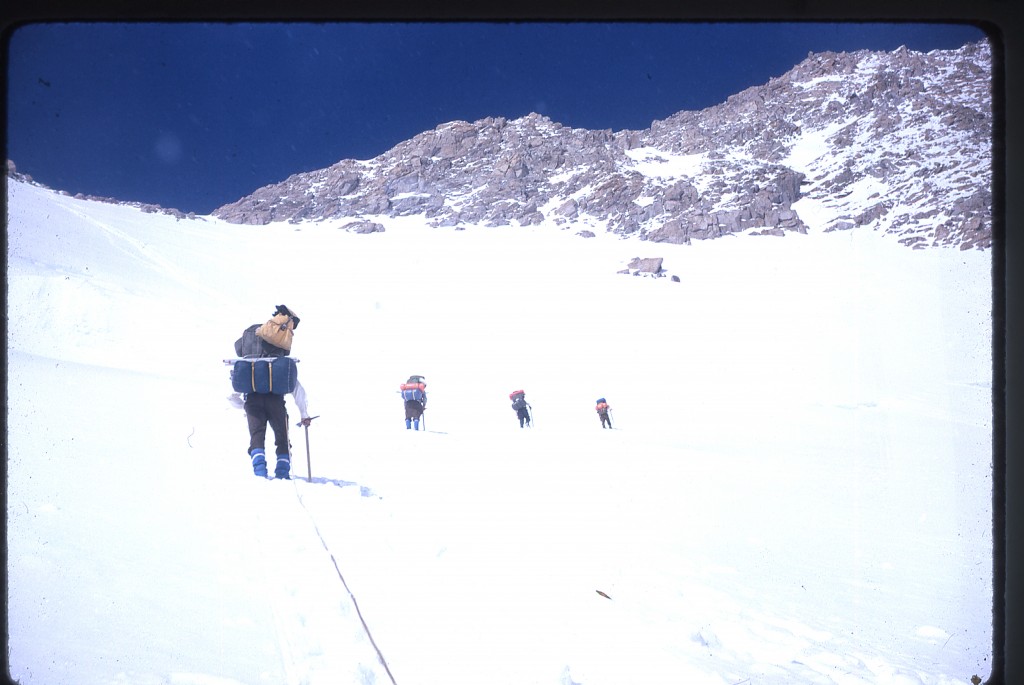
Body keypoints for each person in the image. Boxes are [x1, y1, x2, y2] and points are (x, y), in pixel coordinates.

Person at [240, 304, 311, 479]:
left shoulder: (251, 349)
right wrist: (304, 413)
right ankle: (282, 473)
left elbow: (236, 383)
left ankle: (259, 473)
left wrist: (242, 404)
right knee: (282, 436)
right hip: (275, 401)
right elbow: (295, 387)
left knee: (256, 436)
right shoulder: (280, 358)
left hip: (252, 399)